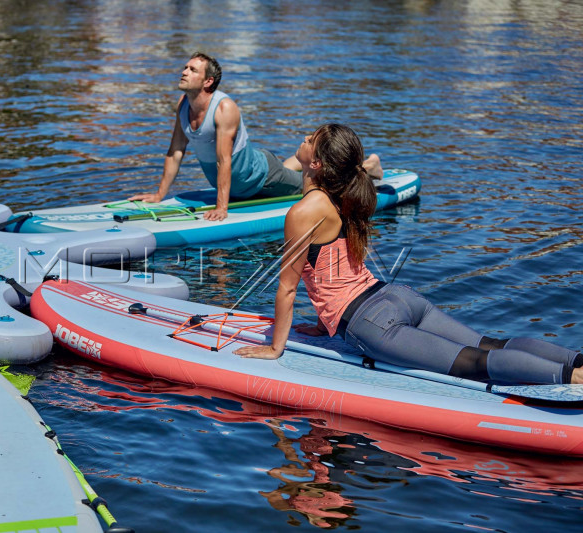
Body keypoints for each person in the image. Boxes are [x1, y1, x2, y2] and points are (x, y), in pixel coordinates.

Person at [234, 124, 583, 386]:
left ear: (318, 164)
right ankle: (575, 362)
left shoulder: (303, 212)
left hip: (370, 323)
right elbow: (334, 269)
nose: (304, 138)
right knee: (486, 343)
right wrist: (326, 323)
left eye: (310, 139)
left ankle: (572, 379)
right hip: (395, 297)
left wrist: (274, 348)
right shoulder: (344, 196)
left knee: (473, 362)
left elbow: (288, 288)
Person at [129, 52, 384, 221]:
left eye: (192, 69)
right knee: (289, 172)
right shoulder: (183, 104)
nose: (183, 71)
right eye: (185, 67)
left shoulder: (224, 108)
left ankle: (367, 167)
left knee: (313, 184)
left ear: (208, 81)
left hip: (260, 178)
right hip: (246, 180)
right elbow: (175, 151)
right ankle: (295, 164)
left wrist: (222, 207)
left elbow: (224, 160)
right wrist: (159, 195)